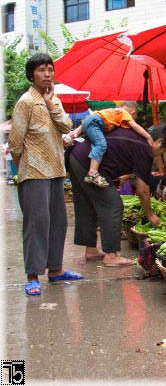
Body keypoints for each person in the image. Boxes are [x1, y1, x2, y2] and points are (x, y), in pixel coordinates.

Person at [8, 53, 83, 296]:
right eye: (42, 69)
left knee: (58, 223)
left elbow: (67, 127)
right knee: (36, 224)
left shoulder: (55, 100)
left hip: (56, 170)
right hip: (34, 172)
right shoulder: (25, 102)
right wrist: (24, 172)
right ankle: (32, 275)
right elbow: (16, 143)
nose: (48, 73)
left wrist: (51, 104)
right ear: (32, 75)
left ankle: (56, 270)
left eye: (50, 69)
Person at [68, 125, 166, 266]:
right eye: (163, 151)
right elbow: (143, 191)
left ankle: (91, 250)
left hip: (76, 156)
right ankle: (111, 256)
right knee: (114, 205)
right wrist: (150, 215)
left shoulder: (136, 138)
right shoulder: (145, 148)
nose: (159, 155)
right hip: (87, 163)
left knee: (88, 204)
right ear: (159, 142)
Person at [69, 101, 154, 187]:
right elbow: (135, 126)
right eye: (134, 118)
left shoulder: (112, 112)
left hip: (91, 121)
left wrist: (77, 131)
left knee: (96, 142)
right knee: (100, 145)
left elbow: (89, 118)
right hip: (95, 123)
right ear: (133, 113)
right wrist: (148, 137)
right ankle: (93, 172)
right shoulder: (124, 113)